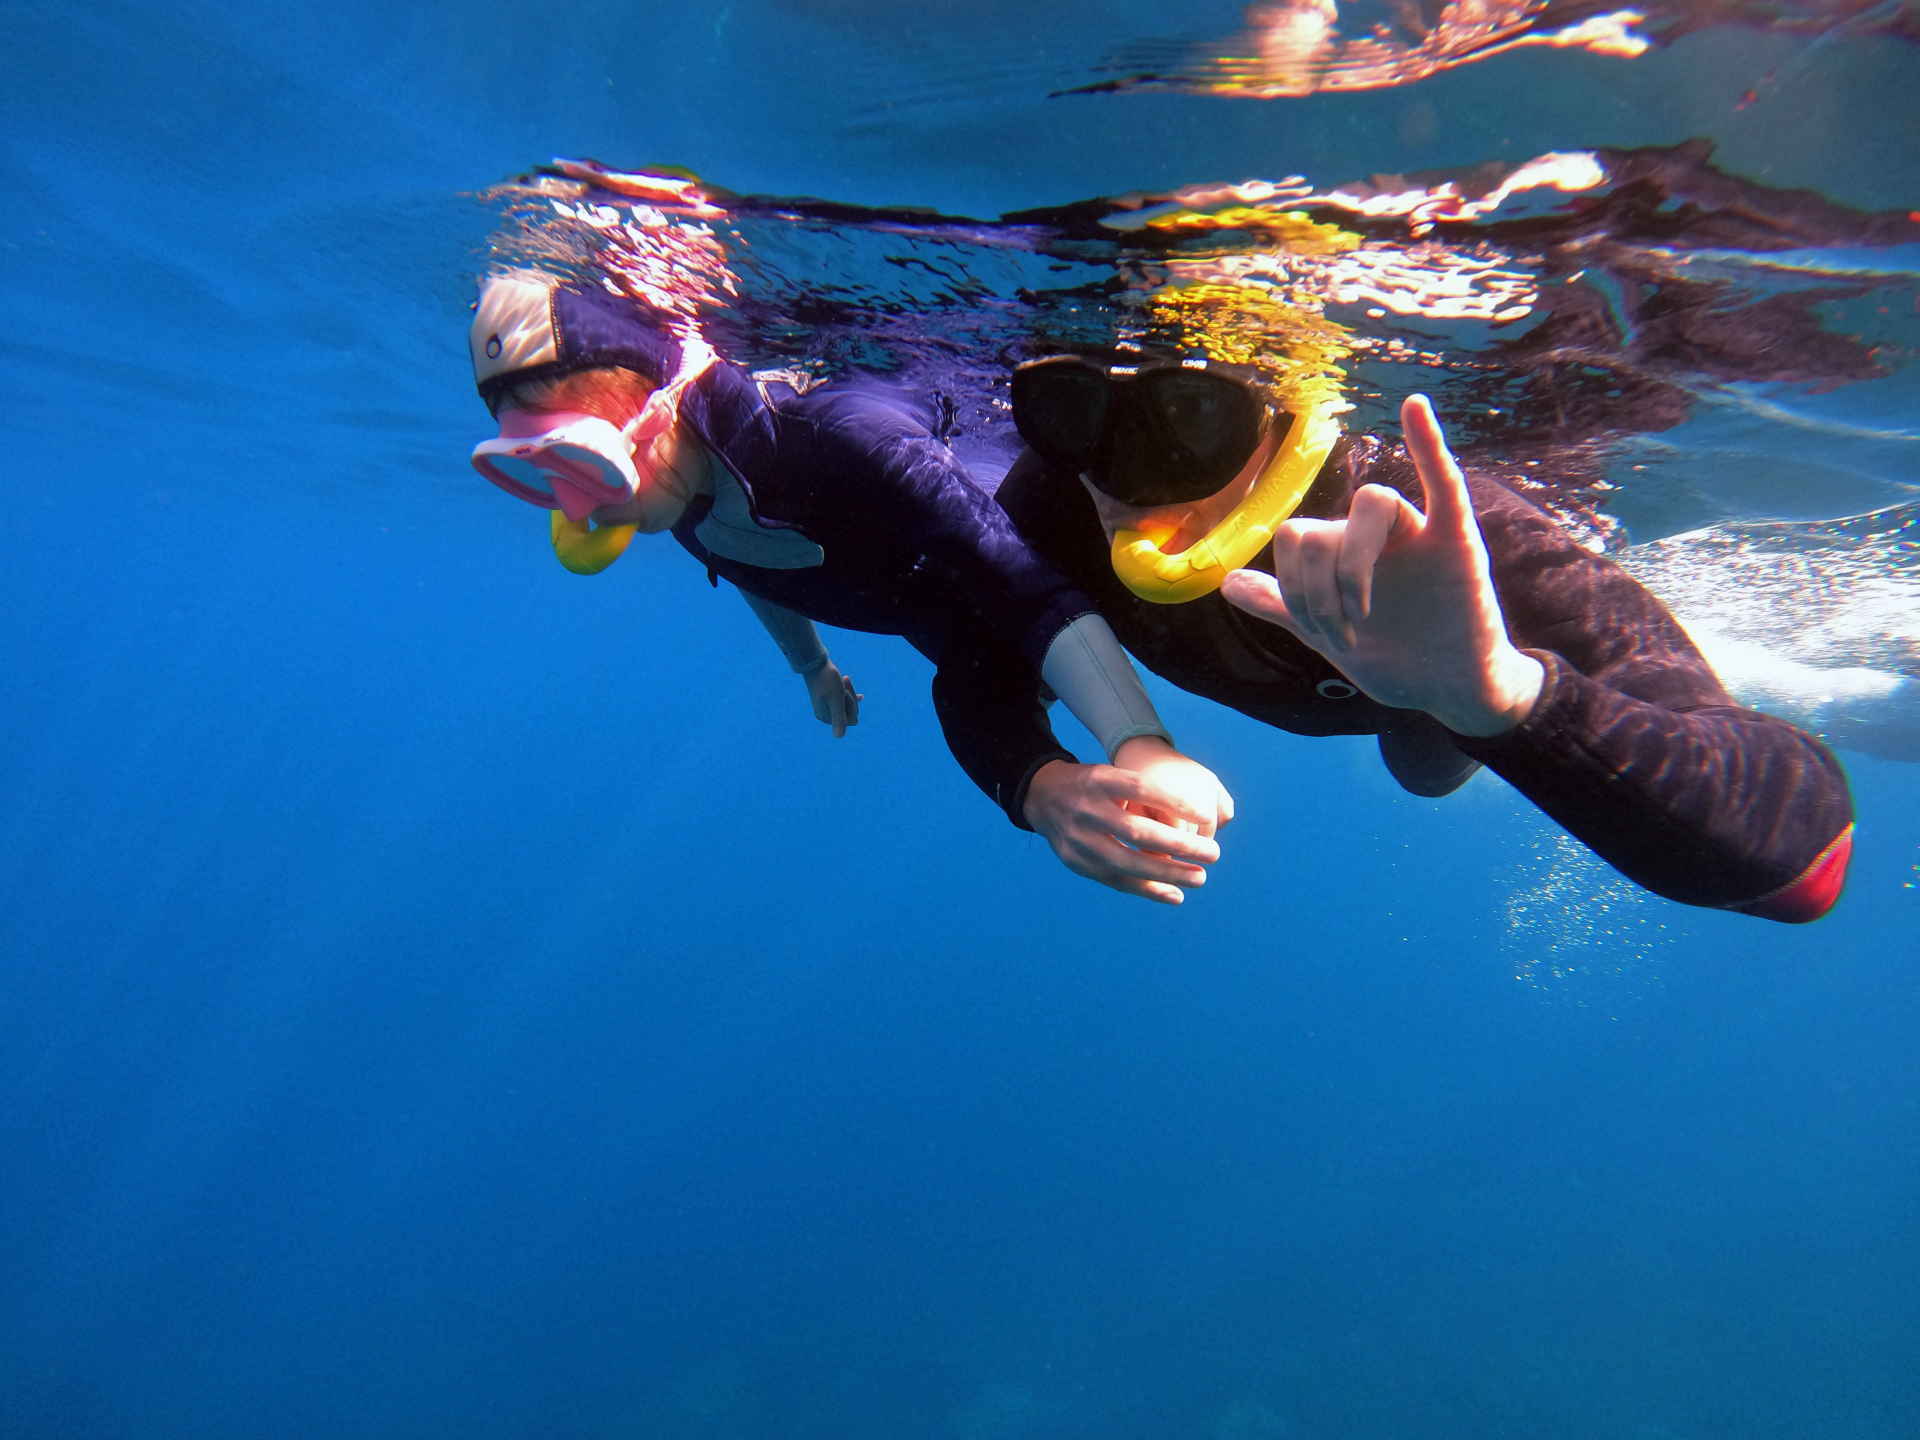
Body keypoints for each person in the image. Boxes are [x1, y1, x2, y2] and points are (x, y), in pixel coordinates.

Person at [930, 347, 1855, 922]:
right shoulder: (1056, 503)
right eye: (1072, 413)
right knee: (1420, 759)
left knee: (1430, 755)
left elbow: (1799, 863)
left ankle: (1465, 714)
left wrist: (1501, 697)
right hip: (1408, 700)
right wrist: (1039, 785)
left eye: (1190, 417)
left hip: (1452, 695)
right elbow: (975, 664)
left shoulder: (1440, 527)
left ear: (1279, 411)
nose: (1128, 479)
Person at [463, 274, 1233, 903]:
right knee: (974, 689)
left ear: (661, 399)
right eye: (536, 471)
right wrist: (812, 666)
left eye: (584, 459)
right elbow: (754, 561)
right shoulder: (683, 489)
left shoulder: (849, 440)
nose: (578, 506)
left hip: (1118, 577)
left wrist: (1138, 743)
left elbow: (1021, 589)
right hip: (979, 646)